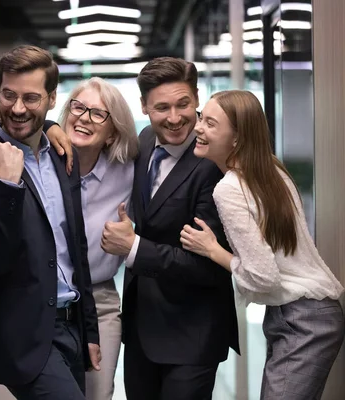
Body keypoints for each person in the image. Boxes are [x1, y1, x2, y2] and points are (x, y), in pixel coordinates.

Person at [0, 45, 100, 400]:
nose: (17, 108)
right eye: (8, 95)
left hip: (71, 328)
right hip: (24, 335)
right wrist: (6, 184)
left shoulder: (63, 156)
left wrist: (89, 330)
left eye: (31, 98)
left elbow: (75, 248)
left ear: (51, 99)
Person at [180, 89, 345, 399]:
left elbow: (262, 275)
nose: (198, 127)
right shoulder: (272, 171)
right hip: (315, 312)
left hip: (301, 319)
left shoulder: (229, 188)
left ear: (237, 139)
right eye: (202, 117)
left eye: (211, 124)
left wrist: (213, 250)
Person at [100, 57, 239, 400]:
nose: (175, 118)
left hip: (192, 333)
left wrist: (133, 247)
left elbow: (210, 265)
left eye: (184, 104)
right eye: (162, 107)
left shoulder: (215, 165)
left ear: (197, 98)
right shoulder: (144, 140)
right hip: (140, 328)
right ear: (144, 106)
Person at [58, 77, 138, 400]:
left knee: (98, 395)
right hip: (53, 302)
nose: (84, 118)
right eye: (78, 107)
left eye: (98, 114)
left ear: (112, 133)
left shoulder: (129, 172)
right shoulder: (43, 164)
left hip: (101, 302)